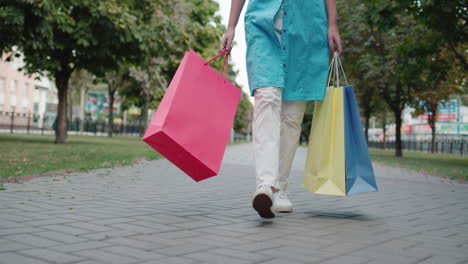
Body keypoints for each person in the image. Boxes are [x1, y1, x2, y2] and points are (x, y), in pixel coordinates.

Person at [220, 0, 342, 219]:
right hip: (262, 24)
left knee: (292, 115)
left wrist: (332, 24)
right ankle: (265, 185)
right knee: (266, 98)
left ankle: (280, 188)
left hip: (306, 28)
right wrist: (231, 26)